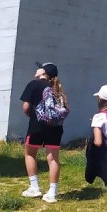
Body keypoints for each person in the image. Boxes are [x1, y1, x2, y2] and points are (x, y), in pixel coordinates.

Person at [19, 61, 67, 203]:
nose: (37, 70)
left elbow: (26, 107)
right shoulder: (57, 88)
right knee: (53, 159)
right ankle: (52, 193)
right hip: (56, 127)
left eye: (40, 68)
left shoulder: (34, 84)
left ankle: (34, 188)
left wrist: (31, 112)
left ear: (44, 73)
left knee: (30, 154)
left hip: (37, 126)